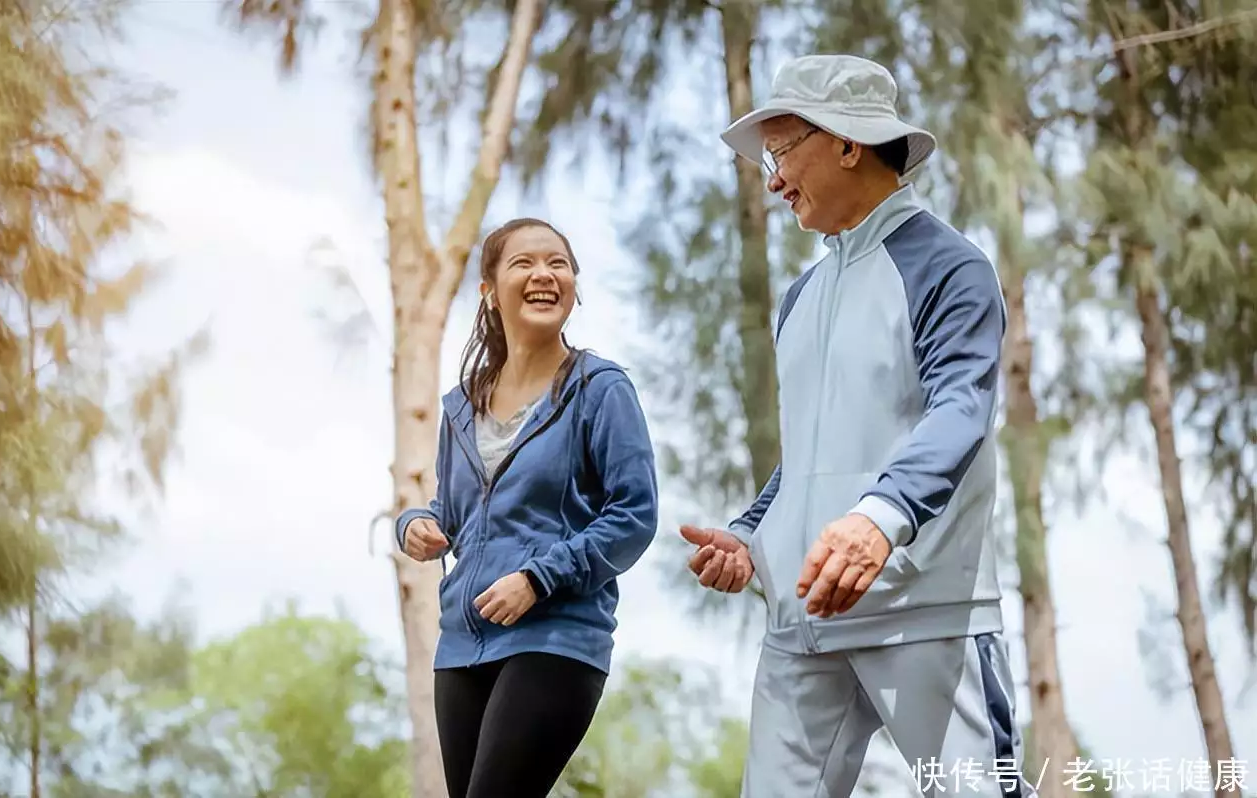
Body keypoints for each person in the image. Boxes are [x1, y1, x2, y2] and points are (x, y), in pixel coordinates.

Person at [680, 54, 1037, 798]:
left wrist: (879, 519)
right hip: (800, 623)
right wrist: (752, 535)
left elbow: (961, 410)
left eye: (782, 152)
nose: (773, 179)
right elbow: (811, 451)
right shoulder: (800, 297)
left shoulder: (950, 268)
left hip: (924, 610)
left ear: (848, 143)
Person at [396, 217, 659, 798]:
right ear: (489, 291)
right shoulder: (462, 407)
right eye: (524, 263)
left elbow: (634, 515)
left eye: (558, 263)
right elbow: (457, 511)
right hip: (462, 644)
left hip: (555, 637)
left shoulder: (599, 389)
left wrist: (540, 578)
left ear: (573, 285)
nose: (544, 275)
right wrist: (417, 523)